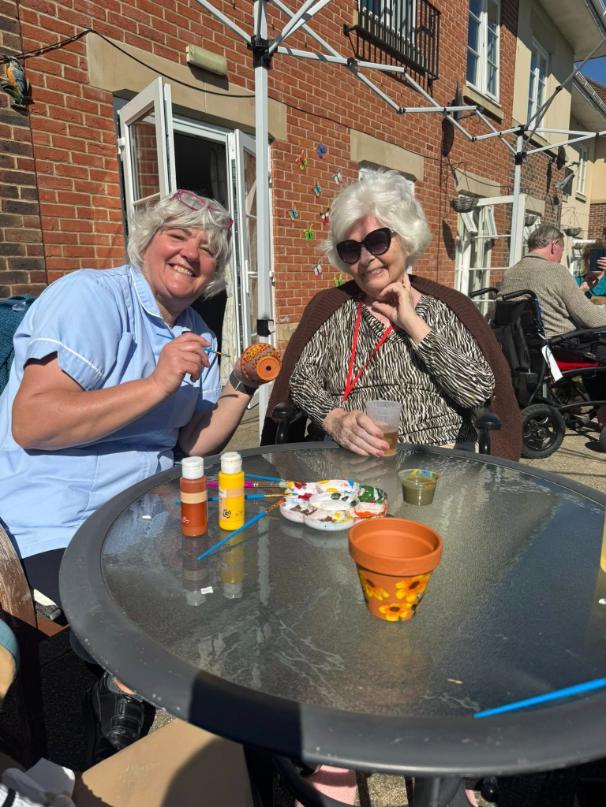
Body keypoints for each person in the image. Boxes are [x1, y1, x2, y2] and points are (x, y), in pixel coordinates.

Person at [0, 190, 268, 758]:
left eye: (208, 249)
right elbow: (33, 423)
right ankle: (110, 718)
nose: (191, 253)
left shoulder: (196, 331)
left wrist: (241, 385)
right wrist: (155, 383)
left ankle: (143, 709)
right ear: (146, 242)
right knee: (153, 624)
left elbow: (187, 440)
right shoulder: (91, 298)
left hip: (144, 518)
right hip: (59, 520)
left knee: (251, 578)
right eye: (177, 236)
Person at [261, 170, 521, 461]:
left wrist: (414, 325)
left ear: (406, 239)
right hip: (347, 460)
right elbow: (301, 382)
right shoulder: (333, 308)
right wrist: (334, 419)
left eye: (377, 241)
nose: (365, 257)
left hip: (438, 463)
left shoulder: (447, 308)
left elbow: (478, 391)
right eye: (351, 249)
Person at [499, 224, 606, 337]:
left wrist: (582, 289)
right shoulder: (557, 271)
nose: (560, 258)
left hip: (521, 345)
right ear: (554, 245)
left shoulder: (510, 273)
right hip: (557, 344)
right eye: (562, 250)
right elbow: (590, 318)